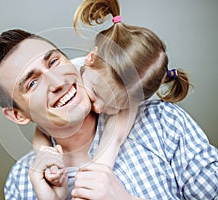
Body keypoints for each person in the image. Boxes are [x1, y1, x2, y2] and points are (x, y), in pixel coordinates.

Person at [0, 28, 218, 199]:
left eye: (54, 61)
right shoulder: (20, 184)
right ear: (18, 116)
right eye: (32, 83)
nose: (57, 82)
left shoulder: (163, 123)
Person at [32, 0, 190, 187]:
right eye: (97, 93)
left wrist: (100, 165)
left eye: (114, 107)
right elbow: (42, 123)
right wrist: (42, 151)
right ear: (89, 58)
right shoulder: (70, 72)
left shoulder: (132, 96)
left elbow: (115, 134)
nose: (98, 107)